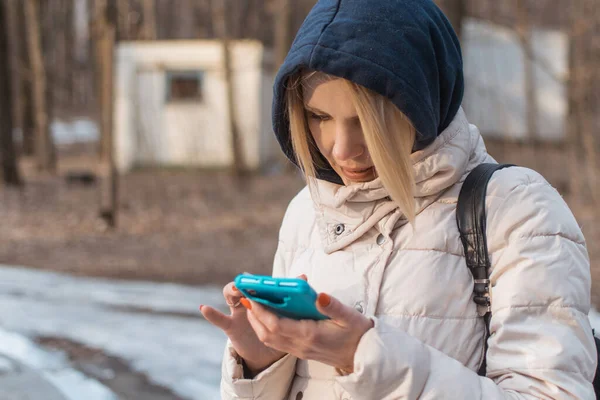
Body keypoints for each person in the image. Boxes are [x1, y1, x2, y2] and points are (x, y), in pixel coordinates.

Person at [200, 0, 598, 398]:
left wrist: (366, 357)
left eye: (365, 120)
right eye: (319, 117)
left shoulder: (516, 210)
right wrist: (262, 363)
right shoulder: (307, 211)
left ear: (421, 105)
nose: (341, 149)